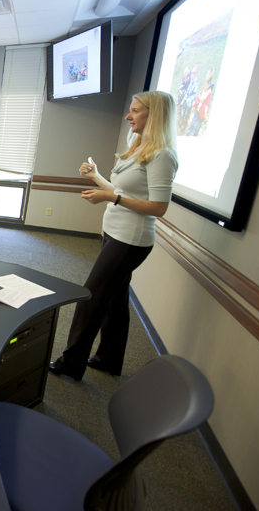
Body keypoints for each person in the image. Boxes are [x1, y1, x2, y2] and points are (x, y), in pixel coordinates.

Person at [50, 91, 179, 381]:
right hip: (114, 232)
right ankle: (109, 358)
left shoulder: (162, 156)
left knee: (91, 296)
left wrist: (112, 199)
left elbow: (159, 208)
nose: (128, 116)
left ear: (153, 115)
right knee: (115, 299)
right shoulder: (138, 147)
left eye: (135, 111)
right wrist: (96, 176)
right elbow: (122, 191)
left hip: (131, 240)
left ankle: (72, 362)